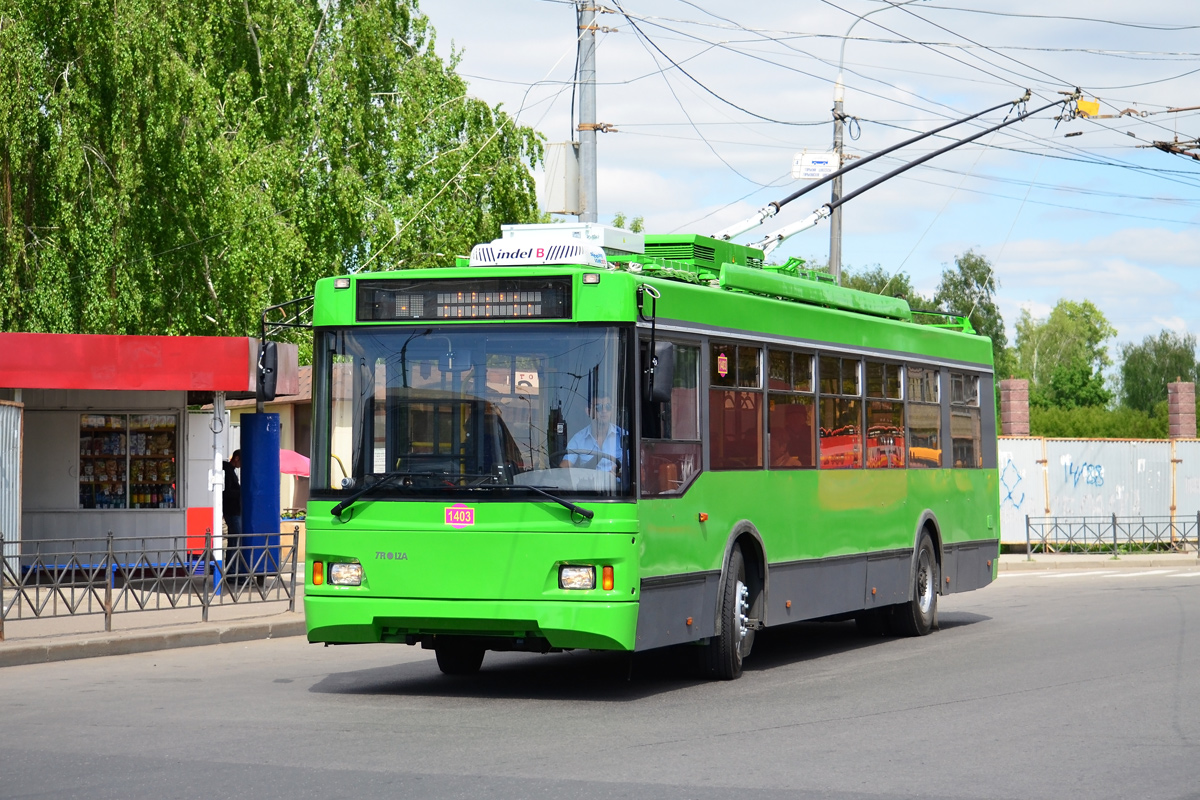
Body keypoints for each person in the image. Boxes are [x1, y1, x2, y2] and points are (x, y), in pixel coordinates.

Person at [560, 395, 626, 474]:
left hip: (616, 485)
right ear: (588, 411)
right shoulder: (578, 439)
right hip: (589, 484)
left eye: (608, 407)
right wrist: (579, 473)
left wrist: (620, 474)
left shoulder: (624, 436)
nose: (604, 411)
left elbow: (636, 468)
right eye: (599, 407)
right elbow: (564, 467)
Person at [222, 450, 243, 578]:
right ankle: (231, 570)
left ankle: (232, 570)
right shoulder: (227, 471)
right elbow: (227, 492)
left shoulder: (230, 471)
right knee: (235, 541)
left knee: (234, 540)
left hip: (233, 510)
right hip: (232, 510)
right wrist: (242, 492)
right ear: (236, 458)